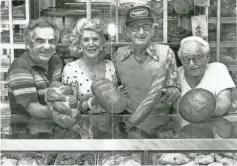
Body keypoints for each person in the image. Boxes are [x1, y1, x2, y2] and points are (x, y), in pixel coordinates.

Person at [113, 6, 181, 129]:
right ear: (127, 31)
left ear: (153, 30)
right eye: (135, 27)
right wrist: (118, 92)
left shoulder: (166, 53)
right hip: (129, 120)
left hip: (162, 123)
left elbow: (175, 88)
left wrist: (170, 92)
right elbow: (115, 88)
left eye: (146, 27)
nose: (141, 32)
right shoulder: (118, 55)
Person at [62, 18, 124, 114]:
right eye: (86, 40)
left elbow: (114, 102)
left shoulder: (110, 65)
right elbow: (70, 105)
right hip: (82, 124)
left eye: (95, 39)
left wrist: (119, 94)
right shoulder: (71, 69)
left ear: (102, 43)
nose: (91, 44)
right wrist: (92, 102)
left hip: (108, 123)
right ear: (79, 45)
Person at [7, 18, 62, 119]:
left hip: (53, 129)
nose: (47, 46)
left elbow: (59, 93)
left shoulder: (56, 61)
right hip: (27, 130)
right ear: (28, 44)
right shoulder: (20, 68)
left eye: (51, 41)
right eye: (40, 41)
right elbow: (34, 109)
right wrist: (68, 111)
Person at [177, 36, 236, 116]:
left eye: (197, 58)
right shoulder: (176, 73)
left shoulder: (218, 69)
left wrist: (195, 112)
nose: (191, 64)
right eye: (185, 59)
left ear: (207, 56)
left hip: (214, 127)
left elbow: (224, 104)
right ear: (180, 59)